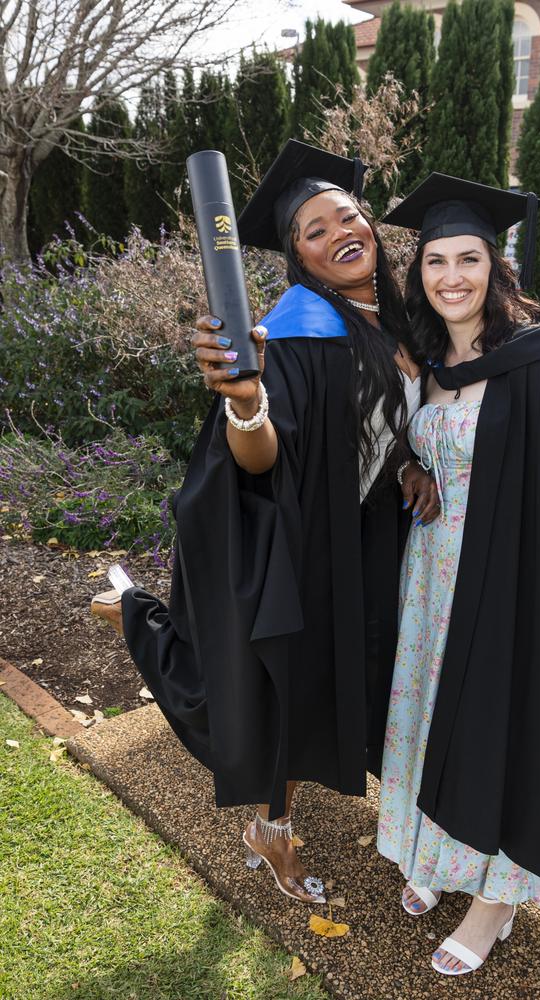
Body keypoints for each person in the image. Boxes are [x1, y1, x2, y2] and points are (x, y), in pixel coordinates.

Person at [91, 140, 438, 904]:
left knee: (353, 672)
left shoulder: (402, 320)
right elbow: (256, 456)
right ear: (298, 256)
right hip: (299, 538)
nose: (338, 231)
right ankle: (270, 832)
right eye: (313, 230)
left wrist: (410, 466)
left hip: (371, 539)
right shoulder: (294, 333)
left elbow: (396, 426)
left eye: (347, 216)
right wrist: (246, 405)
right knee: (285, 683)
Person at [374, 171, 540, 975]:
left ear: (496, 270)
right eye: (435, 261)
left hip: (511, 587)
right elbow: (413, 452)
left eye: (469, 259)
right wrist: (405, 474)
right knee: (430, 719)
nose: (451, 276)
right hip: (429, 582)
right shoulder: (422, 361)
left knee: (503, 734)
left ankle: (494, 903)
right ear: (419, 272)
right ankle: (435, 853)